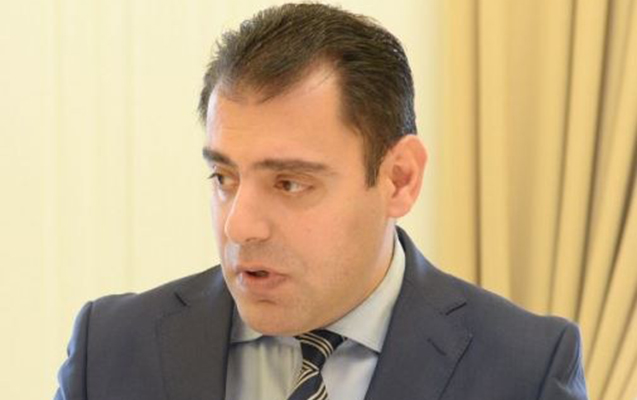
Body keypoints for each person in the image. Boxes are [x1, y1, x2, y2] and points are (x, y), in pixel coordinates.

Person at [54, 3, 588, 400]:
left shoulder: (526, 369)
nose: (240, 226)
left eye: (289, 183)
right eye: (224, 177)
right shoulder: (112, 348)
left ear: (399, 179)